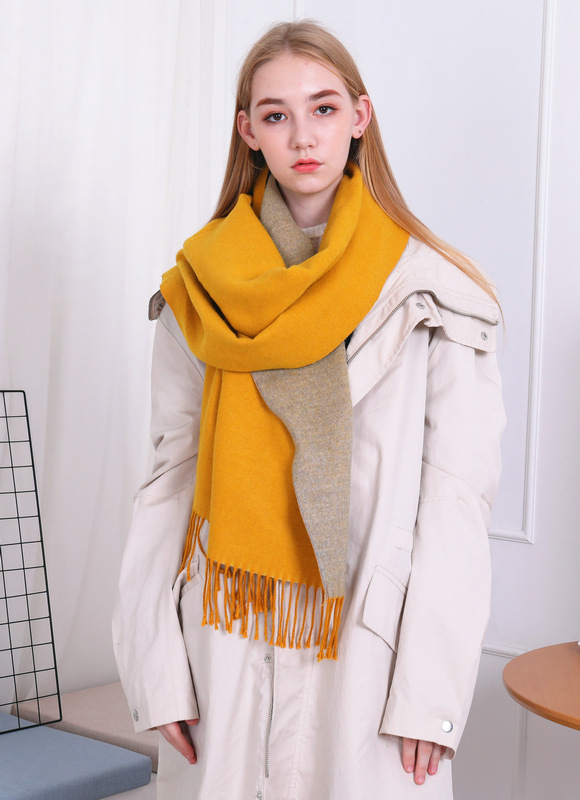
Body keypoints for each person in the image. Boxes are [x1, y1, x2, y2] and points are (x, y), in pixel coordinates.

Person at [113, 19, 505, 800]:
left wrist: (430, 694)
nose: (303, 136)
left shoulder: (433, 292)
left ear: (360, 116)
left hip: (371, 663)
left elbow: (456, 501)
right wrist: (156, 669)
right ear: (248, 132)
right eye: (276, 114)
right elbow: (169, 481)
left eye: (323, 108)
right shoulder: (199, 289)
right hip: (223, 648)